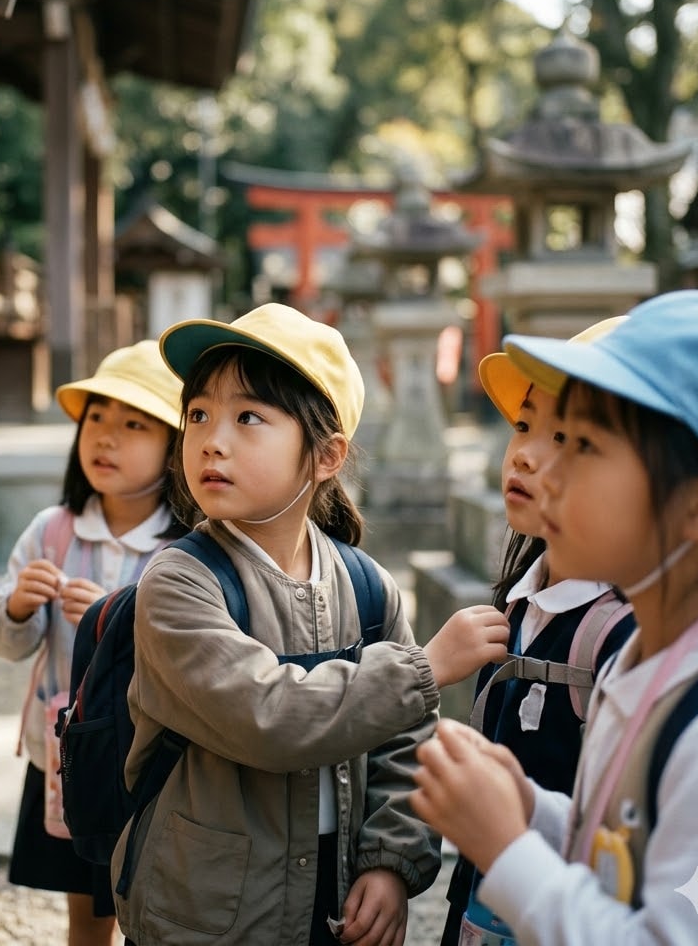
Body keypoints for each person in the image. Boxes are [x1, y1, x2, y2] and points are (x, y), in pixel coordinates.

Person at [110, 303, 510, 946]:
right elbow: (269, 716)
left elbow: (407, 744)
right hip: (208, 912)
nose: (212, 438)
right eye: (198, 415)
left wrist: (389, 864)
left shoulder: (366, 585)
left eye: (249, 417)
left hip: (336, 893)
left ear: (326, 455)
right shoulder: (179, 583)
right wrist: (426, 667)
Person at [412, 289, 698, 945]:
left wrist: (509, 850)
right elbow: (623, 844)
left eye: (584, 444)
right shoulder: (649, 659)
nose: (547, 470)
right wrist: (533, 809)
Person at [0, 339, 188, 946]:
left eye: (133, 425)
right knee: (86, 914)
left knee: (152, 908)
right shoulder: (53, 531)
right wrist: (19, 604)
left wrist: (115, 614)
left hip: (155, 760)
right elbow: (4, 637)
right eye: (96, 418)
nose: (106, 438)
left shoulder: (183, 548)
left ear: (174, 447)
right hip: (69, 757)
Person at [440, 319, 635, 946]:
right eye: (524, 426)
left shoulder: (623, 635)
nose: (524, 452)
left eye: (567, 438)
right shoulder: (521, 602)